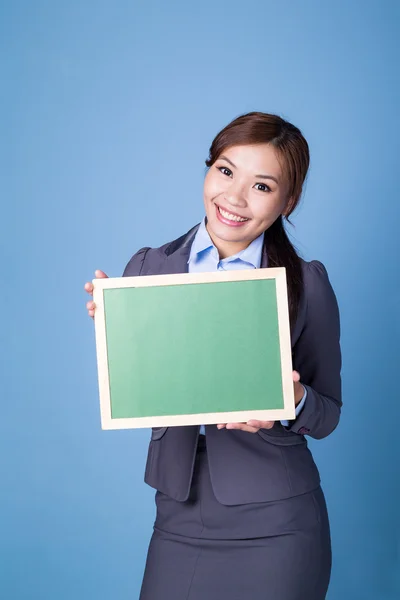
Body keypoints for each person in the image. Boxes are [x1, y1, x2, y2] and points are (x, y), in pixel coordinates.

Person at [84, 112, 342, 600]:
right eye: (225, 171)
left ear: (289, 200)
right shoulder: (147, 268)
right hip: (177, 515)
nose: (235, 198)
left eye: (262, 186)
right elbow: (150, 387)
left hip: (278, 524)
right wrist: (118, 336)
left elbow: (328, 413)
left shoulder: (306, 283)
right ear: (208, 171)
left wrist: (294, 398)